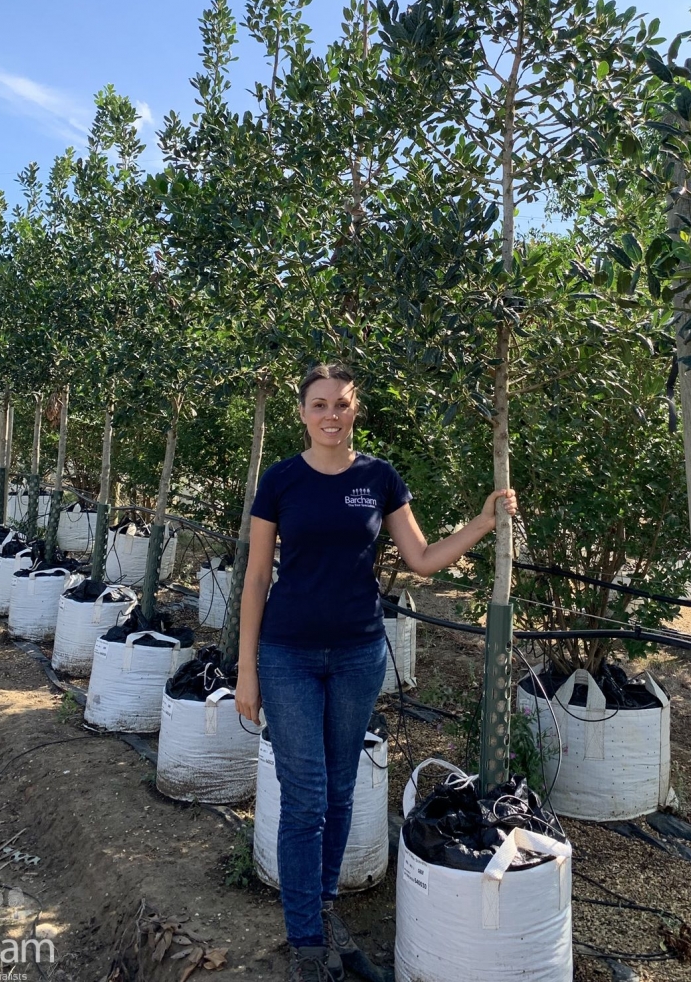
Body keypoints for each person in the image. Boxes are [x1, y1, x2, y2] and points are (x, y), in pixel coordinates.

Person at [235, 363, 517, 982]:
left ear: (355, 410)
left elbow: (421, 559)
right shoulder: (280, 480)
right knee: (305, 797)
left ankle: (324, 909)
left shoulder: (378, 478)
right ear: (301, 413)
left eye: (341, 404)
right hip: (287, 655)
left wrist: (483, 523)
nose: (330, 415)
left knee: (340, 791)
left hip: (359, 655)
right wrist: (246, 669)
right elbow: (255, 578)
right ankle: (306, 943)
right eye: (318, 404)